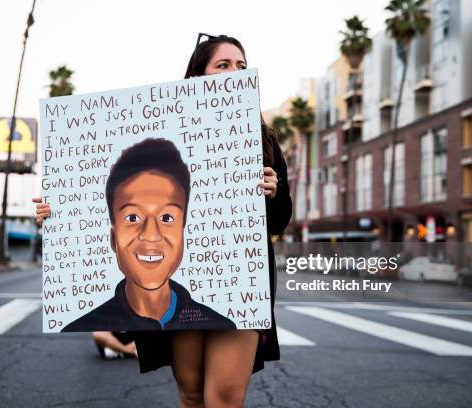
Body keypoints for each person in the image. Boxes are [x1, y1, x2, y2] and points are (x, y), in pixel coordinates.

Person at [34, 33, 292, 407]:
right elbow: (110, 194)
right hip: (181, 281)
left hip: (238, 282)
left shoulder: (261, 137)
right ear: (197, 76)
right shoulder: (164, 129)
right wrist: (59, 213)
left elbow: (279, 221)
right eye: (223, 65)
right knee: (190, 394)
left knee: (224, 398)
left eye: (241, 65)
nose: (234, 72)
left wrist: (274, 191)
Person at [60, 138, 235, 332]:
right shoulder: (82, 326)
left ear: (183, 232)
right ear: (113, 239)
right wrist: (53, 216)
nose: (151, 235)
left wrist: (270, 193)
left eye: (167, 217)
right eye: (133, 217)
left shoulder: (220, 326)